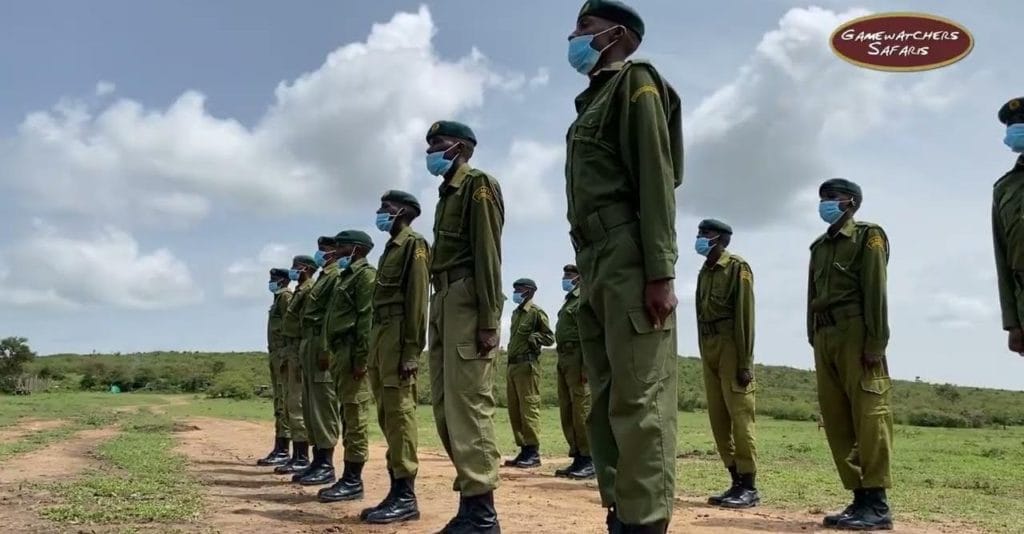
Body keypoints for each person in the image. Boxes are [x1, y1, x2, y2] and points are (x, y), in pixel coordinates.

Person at [564, 1, 683, 531]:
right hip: (594, 260)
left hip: (629, 254)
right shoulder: (589, 103)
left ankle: (647, 521)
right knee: (607, 400)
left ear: (618, 35)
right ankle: (622, 512)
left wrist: (660, 270)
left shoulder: (636, 82)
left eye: (585, 27)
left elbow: (657, 178)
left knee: (640, 400)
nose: (574, 35)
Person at [425, 119, 505, 533]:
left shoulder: (478, 186)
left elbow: (488, 255)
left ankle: (483, 516)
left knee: (470, 410)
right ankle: (470, 504)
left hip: (468, 301)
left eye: (437, 143)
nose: (430, 152)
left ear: (460, 147)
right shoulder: (446, 194)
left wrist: (490, 319)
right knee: (445, 410)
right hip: (442, 301)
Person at [808, 178, 894, 530]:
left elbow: (875, 290)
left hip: (856, 332)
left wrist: (876, 342)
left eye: (832, 198)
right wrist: (812, 334)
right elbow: (810, 294)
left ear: (851, 202)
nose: (825, 203)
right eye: (822, 198)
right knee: (837, 418)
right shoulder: (819, 247)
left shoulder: (867, 236)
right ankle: (858, 498)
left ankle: (877, 503)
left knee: (869, 416)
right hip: (826, 335)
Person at [358, 190, 429, 524]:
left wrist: (413, 350)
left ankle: (406, 496)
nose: (379, 213)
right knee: (387, 415)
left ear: (402, 211)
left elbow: (418, 301)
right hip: (382, 337)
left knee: (400, 416)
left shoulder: (413, 245)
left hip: (400, 336)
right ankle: (395, 489)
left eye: (385, 208)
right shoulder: (391, 248)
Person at [693, 219, 760, 509]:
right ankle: (734, 479)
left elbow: (745, 316)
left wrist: (745, 361)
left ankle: (749, 485)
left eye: (705, 234)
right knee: (718, 419)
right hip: (709, 346)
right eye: (699, 233)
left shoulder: (737, 268)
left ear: (720, 239)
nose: (699, 238)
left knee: (740, 418)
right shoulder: (704, 272)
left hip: (732, 345)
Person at [317, 231, 376, 503]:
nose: (336, 252)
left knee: (355, 416)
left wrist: (361, 360)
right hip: (341, 351)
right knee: (345, 413)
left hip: (353, 351)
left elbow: (366, 320)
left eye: (341, 247)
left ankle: (353, 479)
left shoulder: (365, 276)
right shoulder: (345, 277)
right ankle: (348, 476)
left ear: (356, 249)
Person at [294, 235, 346, 486]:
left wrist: (326, 350)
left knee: (323, 406)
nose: (320, 254)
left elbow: (331, 316)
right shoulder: (325, 277)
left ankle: (326, 463)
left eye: (324, 250)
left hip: (321, 346)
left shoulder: (335, 277)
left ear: (334, 252)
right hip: (310, 345)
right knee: (310, 405)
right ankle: (317, 460)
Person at [503, 278, 555, 469]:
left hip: (527, 366)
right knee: (515, 410)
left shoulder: (535, 313)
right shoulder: (517, 314)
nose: (516, 292)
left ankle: (533, 452)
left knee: (529, 409)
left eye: (519, 289)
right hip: (513, 366)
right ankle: (524, 449)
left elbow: (550, 337)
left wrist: (536, 337)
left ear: (530, 291)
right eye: (514, 288)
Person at [274, 255, 318, 475]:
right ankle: (296, 455)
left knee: (297, 404)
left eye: (295, 267)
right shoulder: (300, 291)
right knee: (290, 404)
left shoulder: (306, 291)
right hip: (290, 353)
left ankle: (301, 456)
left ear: (305, 269)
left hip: (299, 353)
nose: (292, 271)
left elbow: (305, 325)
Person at [553, 264, 594, 480]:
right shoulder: (568, 301)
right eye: (564, 275)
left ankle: (589, 459)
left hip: (578, 358)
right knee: (567, 409)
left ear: (579, 278)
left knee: (582, 410)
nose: (565, 278)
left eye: (569, 275)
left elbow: (589, 334)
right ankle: (577, 455)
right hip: (565, 358)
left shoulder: (583, 299)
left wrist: (587, 366)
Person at [993, 97, 1024, 358]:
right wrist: (1012, 323)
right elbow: (1002, 258)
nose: (1016, 128)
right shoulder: (1004, 188)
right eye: (1012, 125)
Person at [257, 268, 294, 467]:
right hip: (276, 354)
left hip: (284, 355)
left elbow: (292, 327)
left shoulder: (286, 297)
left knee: (285, 402)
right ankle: (280, 447)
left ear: (282, 281)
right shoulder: (278, 300)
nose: (270, 282)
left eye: (273, 279)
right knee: (279, 401)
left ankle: (284, 449)